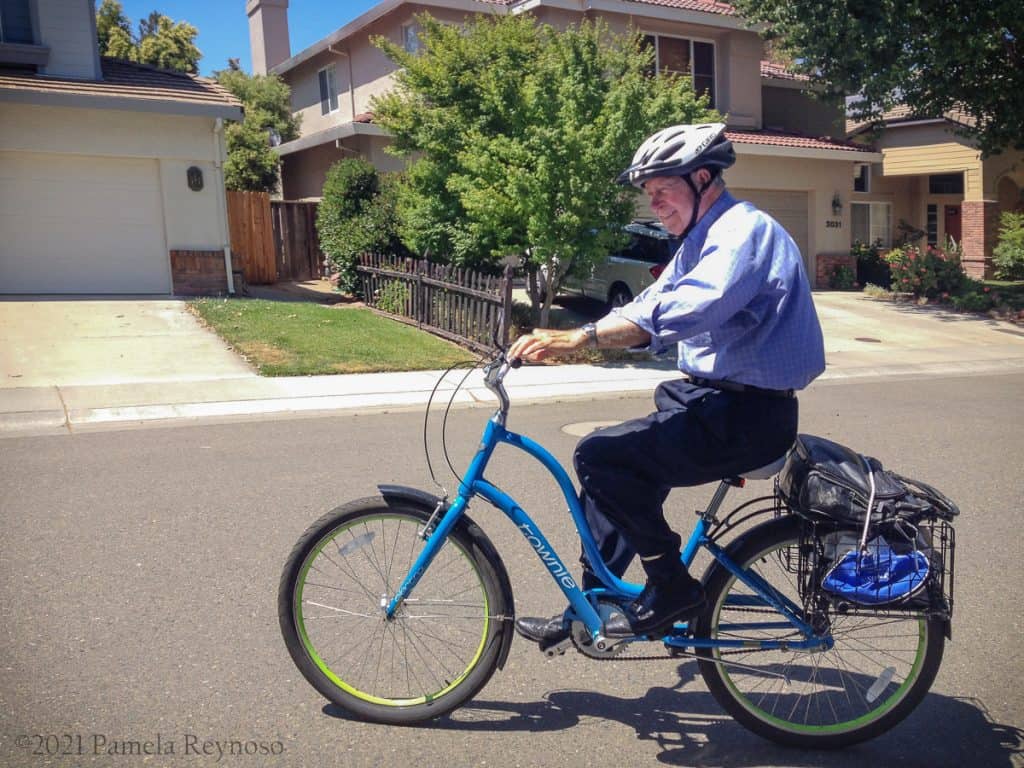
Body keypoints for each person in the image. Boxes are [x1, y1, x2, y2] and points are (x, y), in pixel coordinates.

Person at [508, 122, 826, 648]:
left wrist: (581, 337)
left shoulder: (741, 234)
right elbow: (650, 303)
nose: (654, 205)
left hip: (748, 417)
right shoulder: (701, 237)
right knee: (610, 475)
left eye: (663, 190)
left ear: (703, 177)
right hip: (713, 401)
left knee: (600, 458)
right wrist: (583, 332)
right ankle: (593, 610)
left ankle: (672, 588)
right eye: (649, 195)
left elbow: (690, 307)